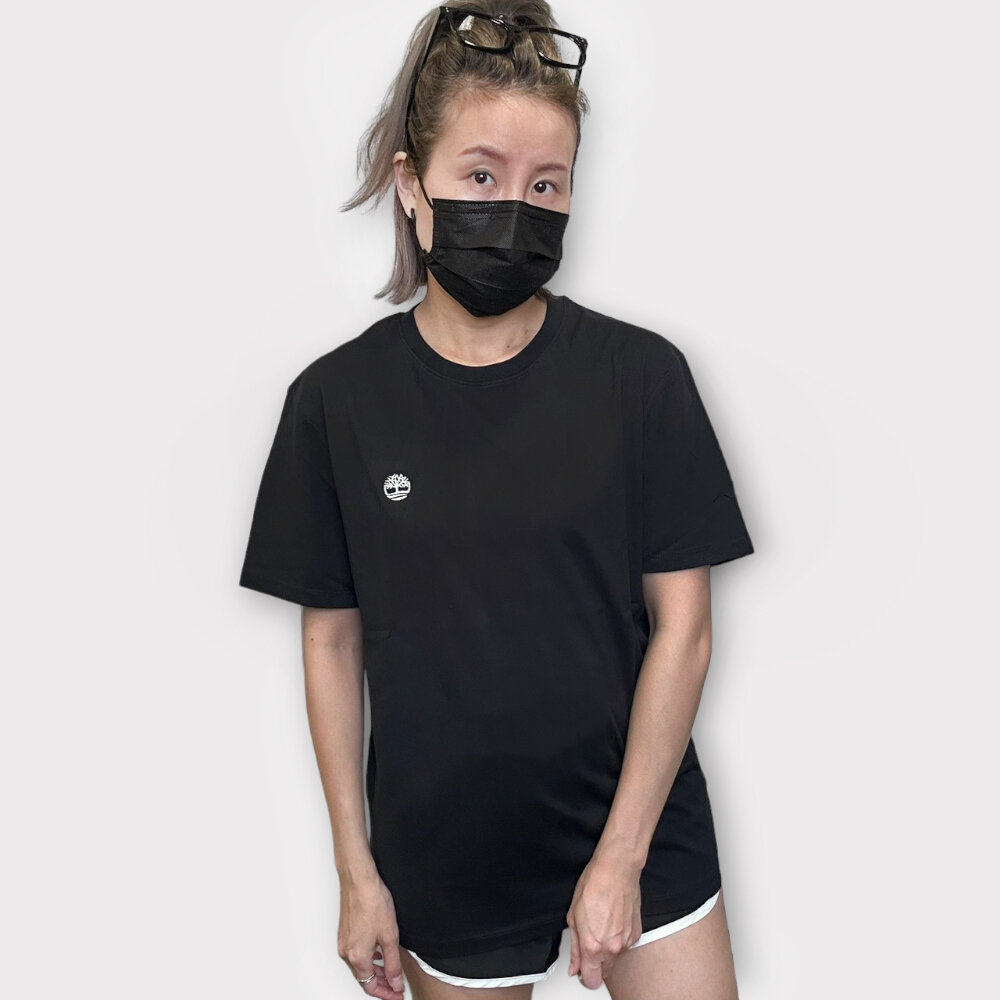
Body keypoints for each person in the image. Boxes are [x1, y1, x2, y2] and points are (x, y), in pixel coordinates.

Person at [238, 3, 755, 997]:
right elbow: (330, 642)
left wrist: (620, 860)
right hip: (446, 854)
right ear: (411, 186)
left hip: (641, 823)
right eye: (481, 176)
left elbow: (683, 630)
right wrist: (356, 873)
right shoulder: (335, 404)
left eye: (545, 184)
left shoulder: (642, 379)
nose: (515, 207)